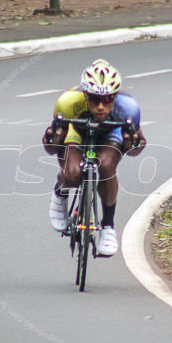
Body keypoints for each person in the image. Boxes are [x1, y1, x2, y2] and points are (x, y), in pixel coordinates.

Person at [42, 59, 146, 257]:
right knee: (73, 174)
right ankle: (60, 191)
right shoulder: (67, 103)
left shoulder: (129, 108)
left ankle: (108, 226)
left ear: (115, 97)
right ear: (85, 95)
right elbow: (52, 148)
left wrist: (131, 142)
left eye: (107, 100)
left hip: (111, 134)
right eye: (94, 99)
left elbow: (134, 150)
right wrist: (54, 136)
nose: (100, 106)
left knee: (106, 166)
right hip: (76, 132)